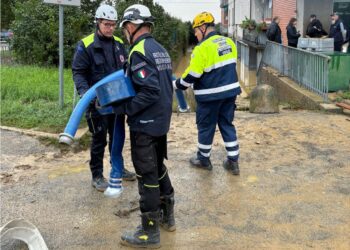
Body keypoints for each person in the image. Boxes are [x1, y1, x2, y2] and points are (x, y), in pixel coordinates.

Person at [114, 4, 175, 248]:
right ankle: (167, 216)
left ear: (131, 26)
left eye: (125, 28)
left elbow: (150, 90)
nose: (125, 33)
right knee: (158, 166)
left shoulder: (138, 51)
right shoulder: (160, 49)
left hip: (146, 125)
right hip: (161, 122)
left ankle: (149, 231)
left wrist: (126, 109)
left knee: (146, 175)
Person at [72, 4, 136, 194]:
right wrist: (86, 94)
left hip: (117, 101)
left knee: (117, 137)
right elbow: (78, 72)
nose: (110, 28)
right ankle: (97, 175)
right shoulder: (86, 45)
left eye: (113, 25)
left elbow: (126, 70)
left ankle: (118, 168)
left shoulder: (118, 43)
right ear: (98, 22)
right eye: (107, 24)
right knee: (99, 139)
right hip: (97, 103)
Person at [174, 12, 241, 175]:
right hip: (230, 93)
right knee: (227, 124)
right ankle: (233, 161)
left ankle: (203, 160)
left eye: (196, 31)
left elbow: (193, 74)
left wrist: (178, 84)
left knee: (206, 126)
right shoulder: (230, 42)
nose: (196, 35)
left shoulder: (201, 48)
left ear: (203, 28)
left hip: (209, 96)